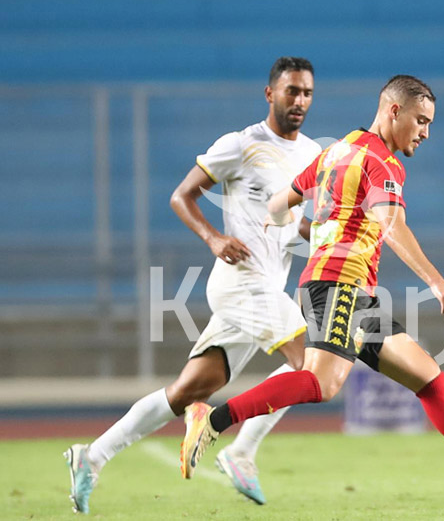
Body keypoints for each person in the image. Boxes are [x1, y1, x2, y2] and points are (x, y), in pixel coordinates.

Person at [179, 75, 444, 502]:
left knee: (429, 381)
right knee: (322, 383)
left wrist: (295, 229)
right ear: (394, 111)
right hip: (338, 284)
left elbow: (277, 203)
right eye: (421, 121)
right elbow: (392, 225)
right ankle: (212, 419)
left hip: (352, 288)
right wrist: (438, 282)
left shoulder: (333, 152)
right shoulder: (384, 163)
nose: (426, 132)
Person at [63, 56, 322, 513]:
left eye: (306, 93)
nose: (299, 101)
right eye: (291, 91)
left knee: (188, 391)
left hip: (266, 289)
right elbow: (181, 195)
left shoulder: (310, 157)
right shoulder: (240, 145)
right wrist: (214, 237)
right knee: (314, 365)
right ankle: (241, 450)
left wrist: (324, 237)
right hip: (241, 283)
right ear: (270, 94)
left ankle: (91, 456)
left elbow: (290, 224)